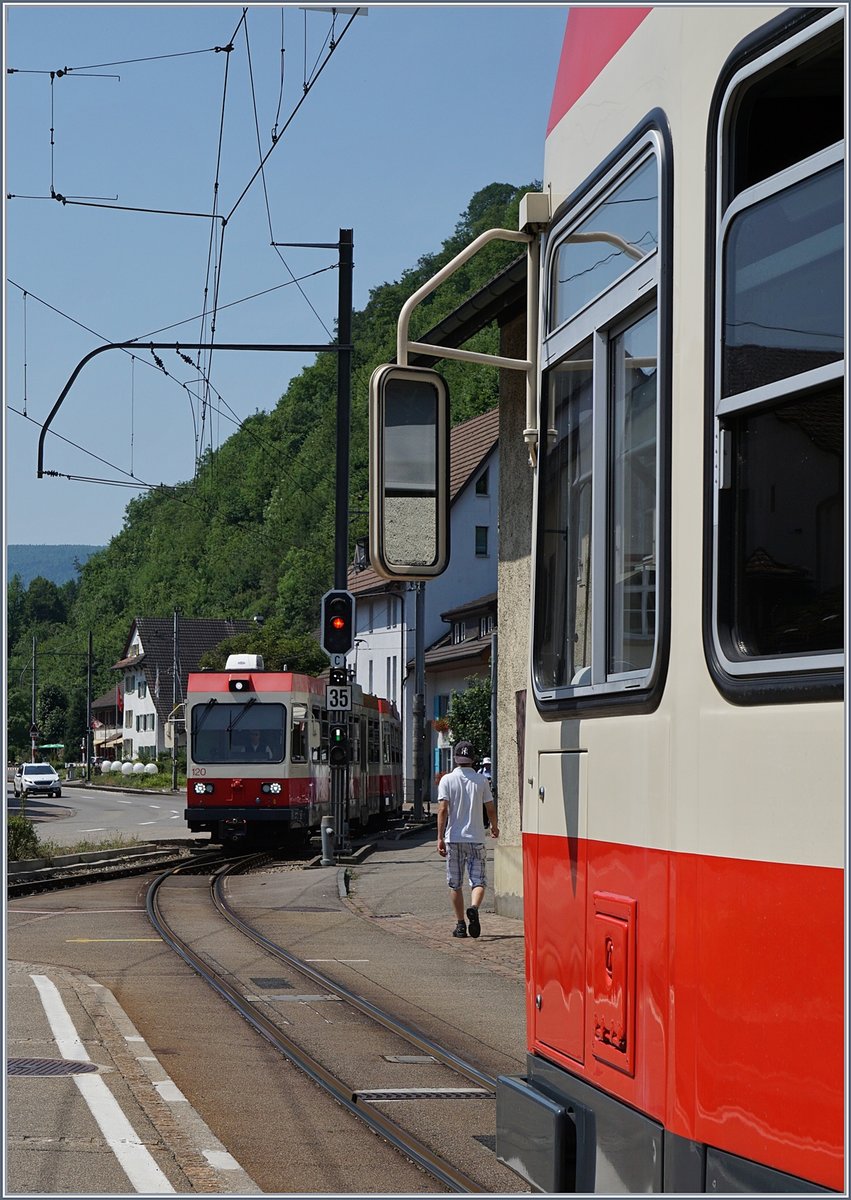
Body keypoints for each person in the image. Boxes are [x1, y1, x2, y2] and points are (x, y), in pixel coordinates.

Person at [436, 740, 499, 939]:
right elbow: (490, 808)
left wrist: (439, 837)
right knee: (478, 881)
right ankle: (474, 907)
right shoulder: (481, 781)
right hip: (476, 837)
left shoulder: (447, 780)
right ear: (473, 759)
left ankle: (461, 925)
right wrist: (495, 827)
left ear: (455, 758)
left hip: (453, 838)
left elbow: (443, 810)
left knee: (455, 883)